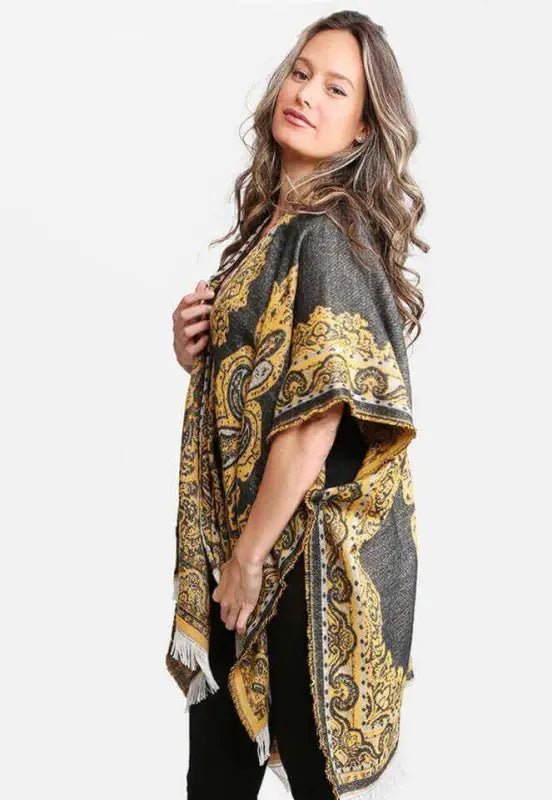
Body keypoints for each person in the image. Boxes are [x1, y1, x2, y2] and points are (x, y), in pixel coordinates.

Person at [166, 9, 427, 800]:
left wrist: (246, 562)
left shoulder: (326, 235)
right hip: (247, 550)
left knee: (303, 781)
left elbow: (314, 422)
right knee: (217, 777)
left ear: (362, 129)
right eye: (302, 73)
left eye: (336, 88)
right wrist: (195, 350)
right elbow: (259, 386)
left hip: (300, 565)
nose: (306, 94)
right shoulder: (270, 231)